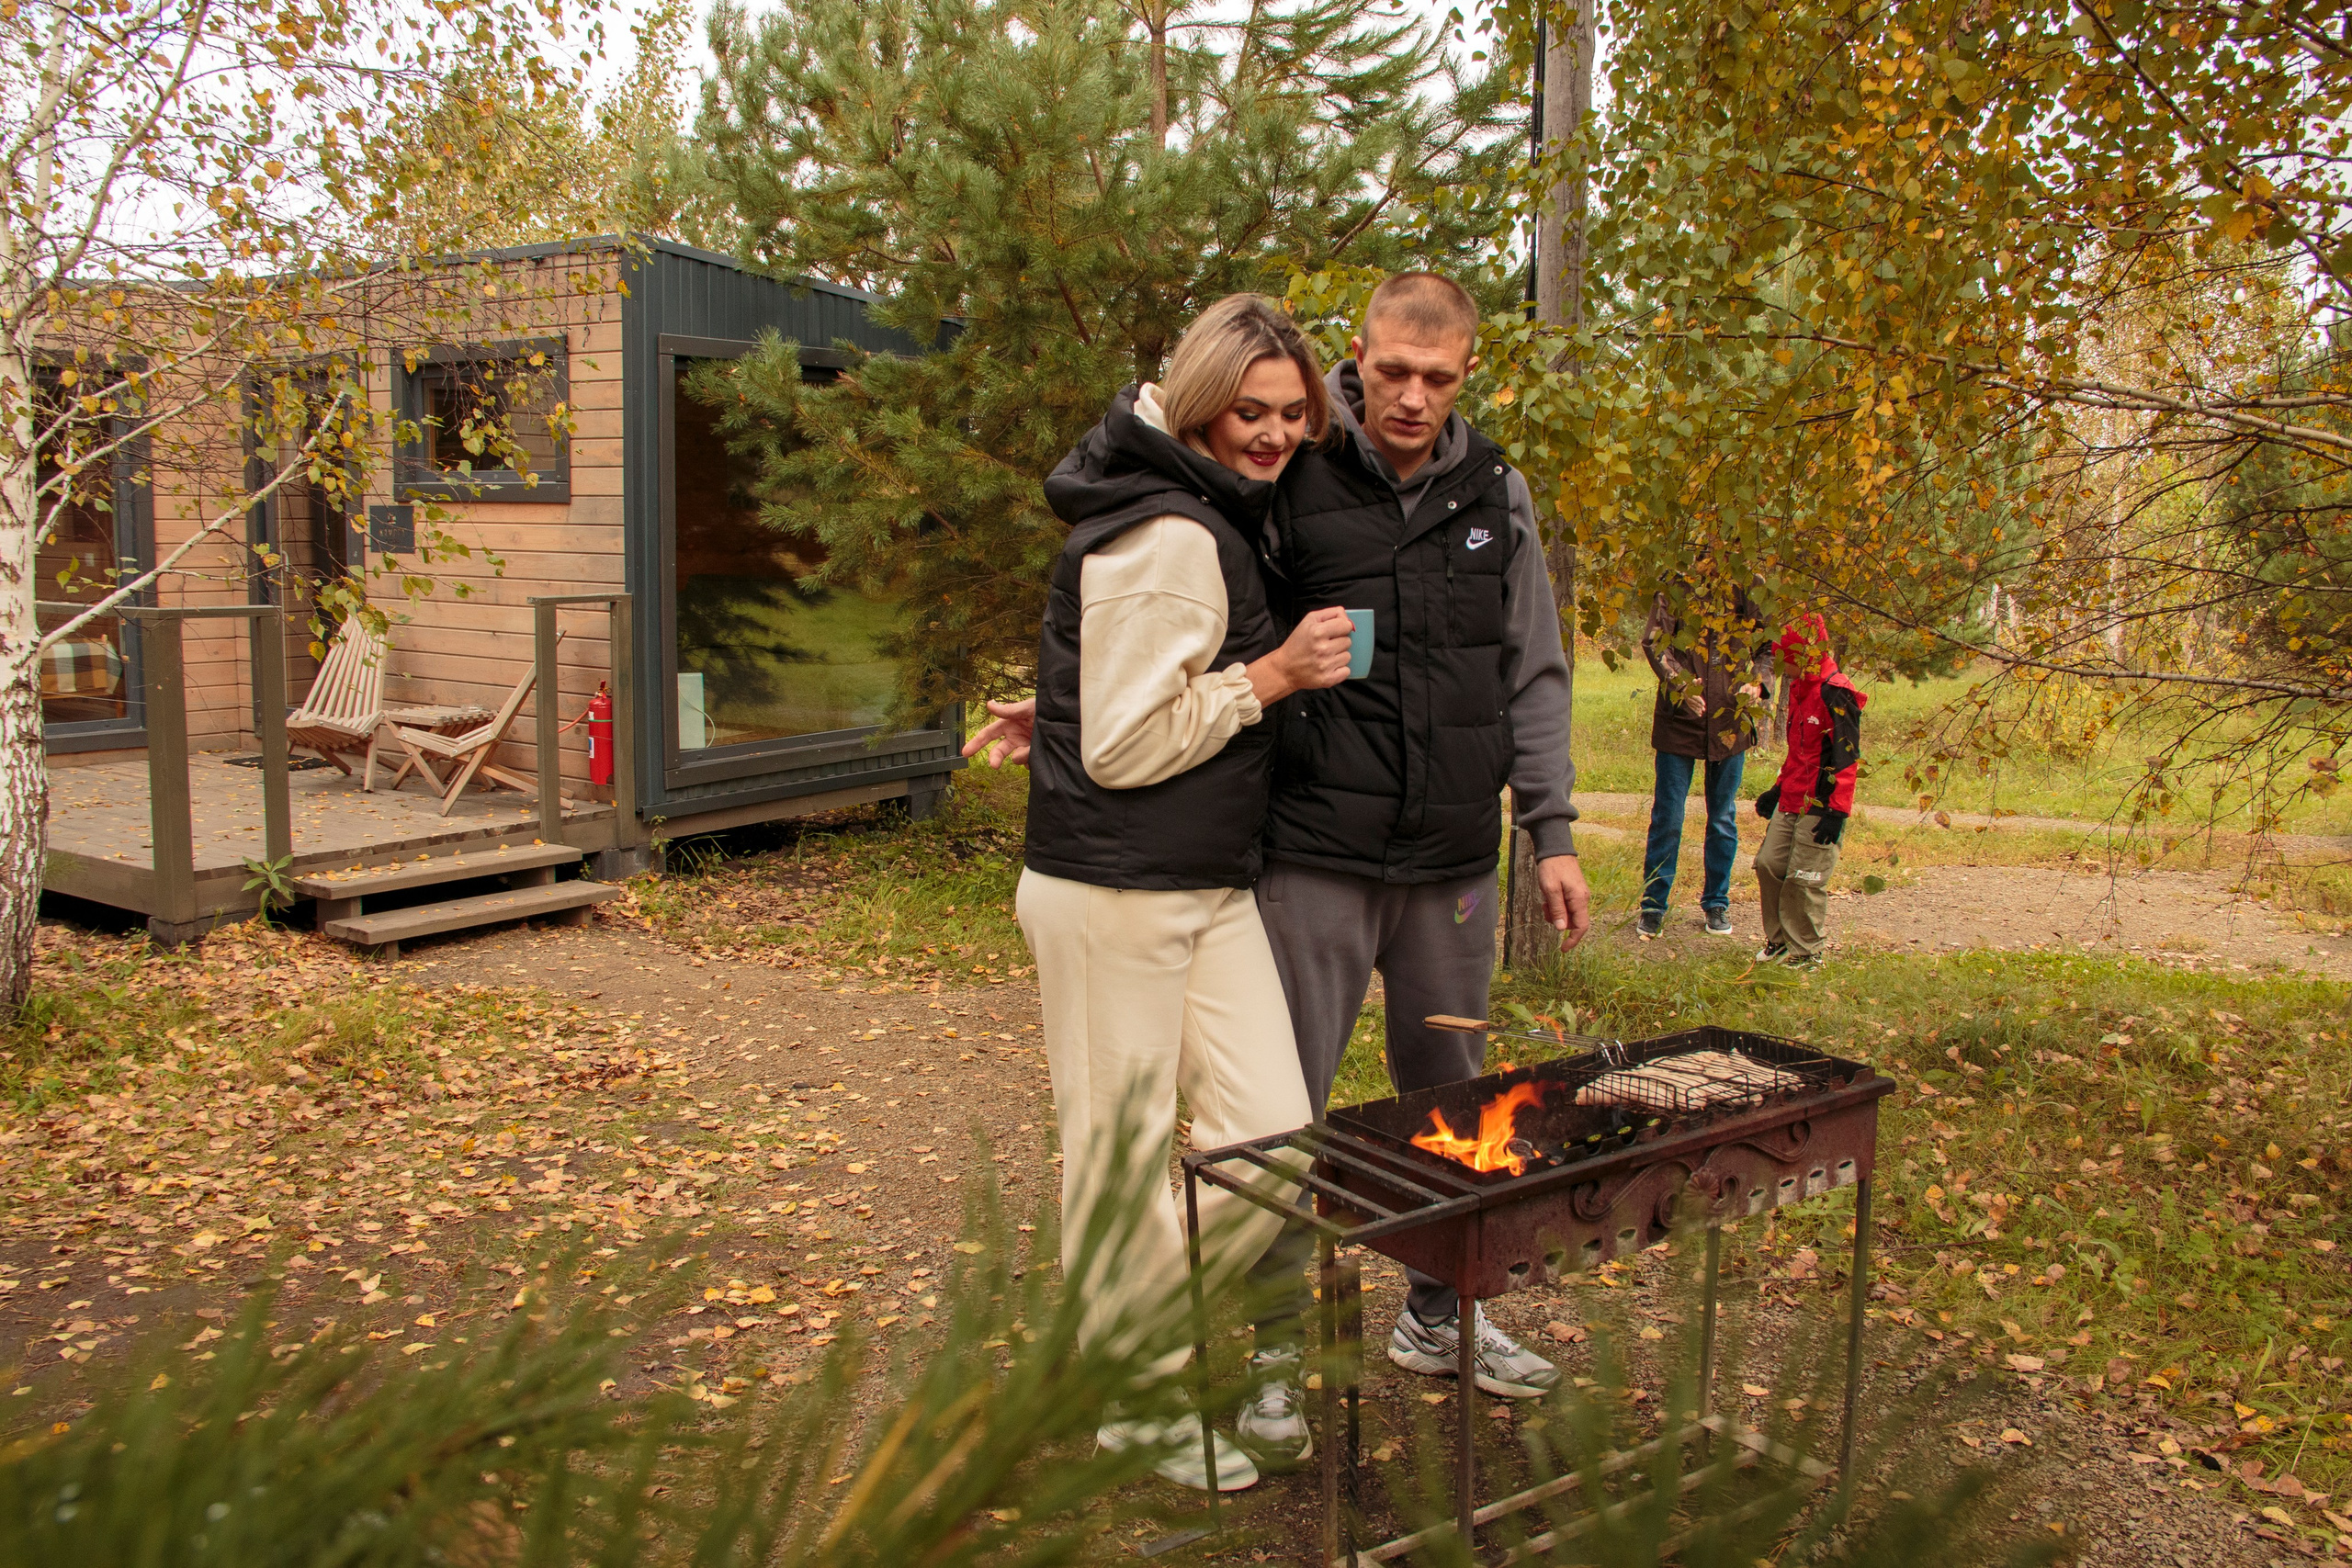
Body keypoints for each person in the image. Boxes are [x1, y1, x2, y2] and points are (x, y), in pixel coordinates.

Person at [984, 294, 1358, 1493]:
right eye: (1251, 410)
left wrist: (1064, 706)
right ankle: (1135, 1398)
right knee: (1121, 1155)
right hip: (1114, 890)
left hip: (1201, 880)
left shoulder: (1194, 506)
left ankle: (1124, 1328)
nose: (1275, 433)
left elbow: (1122, 690)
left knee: (1274, 1139)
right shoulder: (1173, 531)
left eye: (1293, 413)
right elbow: (1126, 744)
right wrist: (1273, 675)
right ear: (1199, 404)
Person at [1236, 272, 1592, 1449]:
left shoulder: (1496, 490)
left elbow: (1533, 670)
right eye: (1391, 370)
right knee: (1281, 1113)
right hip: (1313, 858)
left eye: (1436, 378)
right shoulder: (1294, 469)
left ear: (1466, 375)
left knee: (1455, 1102)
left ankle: (1442, 1314)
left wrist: (1551, 831)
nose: (1410, 396)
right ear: (1357, 354)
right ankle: (1274, 1350)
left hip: (1450, 868)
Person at [1636, 583, 1773, 940]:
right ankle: (1653, 905)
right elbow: (1654, 642)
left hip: (1730, 722)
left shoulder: (1749, 584)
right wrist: (1681, 684)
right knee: (1668, 816)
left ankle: (1716, 902)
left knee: (1723, 817)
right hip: (1680, 720)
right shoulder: (1675, 582)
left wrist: (1757, 683)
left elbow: (1767, 647)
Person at [1751, 615, 1866, 969]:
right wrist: (1777, 790)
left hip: (1822, 804)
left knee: (1804, 878)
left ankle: (1806, 953)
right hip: (1792, 797)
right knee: (1768, 864)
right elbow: (1800, 752)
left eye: (1783, 656)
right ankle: (1779, 942)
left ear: (1801, 655)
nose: (1779, 664)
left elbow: (1847, 758)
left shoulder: (1837, 692)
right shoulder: (1801, 687)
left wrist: (1838, 811)